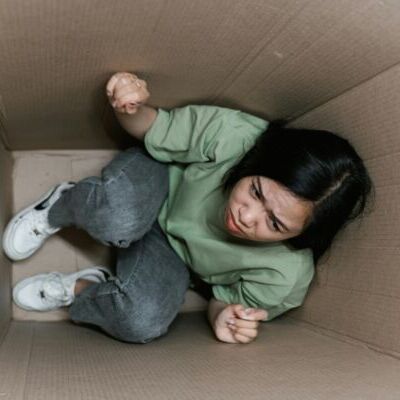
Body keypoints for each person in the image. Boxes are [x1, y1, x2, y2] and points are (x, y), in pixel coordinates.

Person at [2, 72, 372, 344]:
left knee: (141, 322)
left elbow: (222, 303)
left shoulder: (285, 275)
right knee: (120, 215)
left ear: (302, 236)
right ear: (261, 159)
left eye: (274, 224)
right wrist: (131, 105)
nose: (247, 216)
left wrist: (223, 316)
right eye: (256, 191)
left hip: (173, 255)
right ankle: (59, 206)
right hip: (160, 181)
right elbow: (151, 128)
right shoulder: (238, 137)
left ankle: (84, 288)